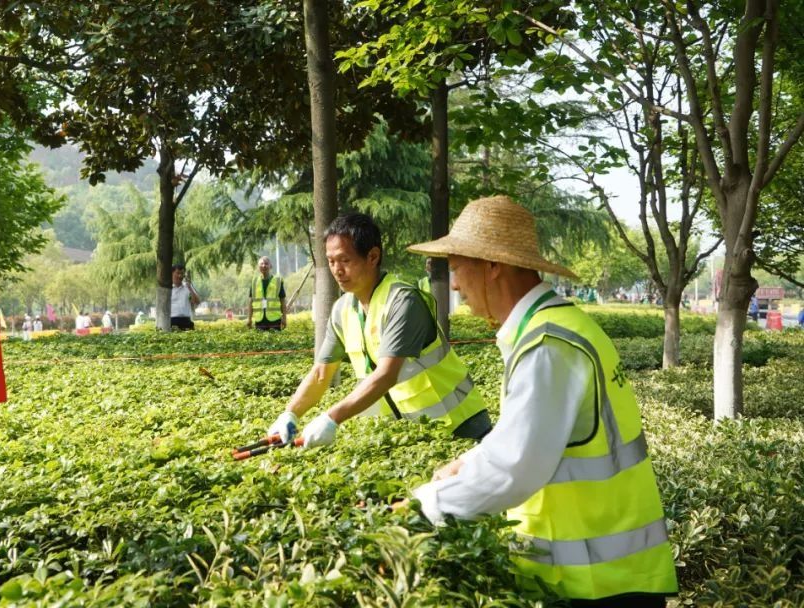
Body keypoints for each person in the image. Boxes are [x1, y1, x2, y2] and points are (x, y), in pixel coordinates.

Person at [405, 195, 677, 607]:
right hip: (602, 578)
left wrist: (424, 507)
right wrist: (469, 463)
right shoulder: (555, 329)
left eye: (457, 266)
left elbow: (515, 466)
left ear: (493, 266)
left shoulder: (549, 344)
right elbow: (532, 440)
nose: (454, 283)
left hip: (597, 587)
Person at [267, 213, 491, 449]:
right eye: (331, 261)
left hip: (461, 426)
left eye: (344, 260)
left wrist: (331, 417)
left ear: (373, 256)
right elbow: (321, 373)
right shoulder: (342, 310)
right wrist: (290, 414)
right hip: (418, 436)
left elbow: (386, 375)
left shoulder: (403, 301)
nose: (337, 270)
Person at [247, 256, 287, 331]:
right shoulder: (254, 282)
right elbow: (250, 302)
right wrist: (249, 319)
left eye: (266, 263)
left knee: (275, 342)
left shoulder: (278, 281)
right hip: (260, 320)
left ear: (270, 266)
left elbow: (283, 301)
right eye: (261, 264)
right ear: (258, 267)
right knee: (260, 342)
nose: (264, 266)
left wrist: (284, 318)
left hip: (275, 319)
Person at [171, 264, 201, 330]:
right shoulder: (167, 289)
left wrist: (190, 287)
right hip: (171, 321)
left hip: (186, 321)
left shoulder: (187, 288)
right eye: (178, 273)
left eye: (182, 274)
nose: (180, 276)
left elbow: (197, 302)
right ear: (171, 273)